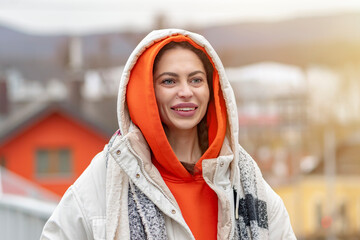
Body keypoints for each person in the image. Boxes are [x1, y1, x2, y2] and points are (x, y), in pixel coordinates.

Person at [41, 29, 296, 240]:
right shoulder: (111, 174)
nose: (185, 91)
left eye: (196, 80)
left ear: (211, 89)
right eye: (169, 81)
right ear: (147, 93)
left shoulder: (243, 178)